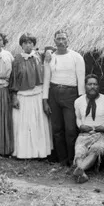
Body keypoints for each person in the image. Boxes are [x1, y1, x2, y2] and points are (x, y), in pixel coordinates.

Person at [42, 30, 86, 166]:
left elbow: (81, 79)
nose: (61, 42)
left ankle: (73, 160)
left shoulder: (76, 57)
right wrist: (45, 100)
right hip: (54, 93)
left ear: (68, 40)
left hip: (71, 94)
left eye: (63, 39)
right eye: (58, 39)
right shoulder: (50, 57)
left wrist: (81, 101)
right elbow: (46, 80)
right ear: (54, 41)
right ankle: (61, 160)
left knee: (71, 129)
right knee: (56, 129)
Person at [10, 32, 52, 159]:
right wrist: (14, 96)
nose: (28, 46)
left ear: (34, 44)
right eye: (25, 43)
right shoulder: (17, 59)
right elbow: (13, 79)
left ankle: (39, 153)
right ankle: (23, 153)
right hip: (23, 95)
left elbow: (51, 49)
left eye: (30, 43)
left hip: (37, 95)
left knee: (37, 124)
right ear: (21, 45)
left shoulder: (39, 56)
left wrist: (49, 51)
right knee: (23, 125)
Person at [72, 74, 104, 183]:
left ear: (99, 86)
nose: (92, 86)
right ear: (85, 86)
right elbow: (78, 118)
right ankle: (82, 173)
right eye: (90, 84)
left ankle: (80, 169)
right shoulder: (78, 101)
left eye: (95, 84)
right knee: (79, 153)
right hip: (84, 134)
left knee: (95, 151)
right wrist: (80, 126)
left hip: (101, 135)